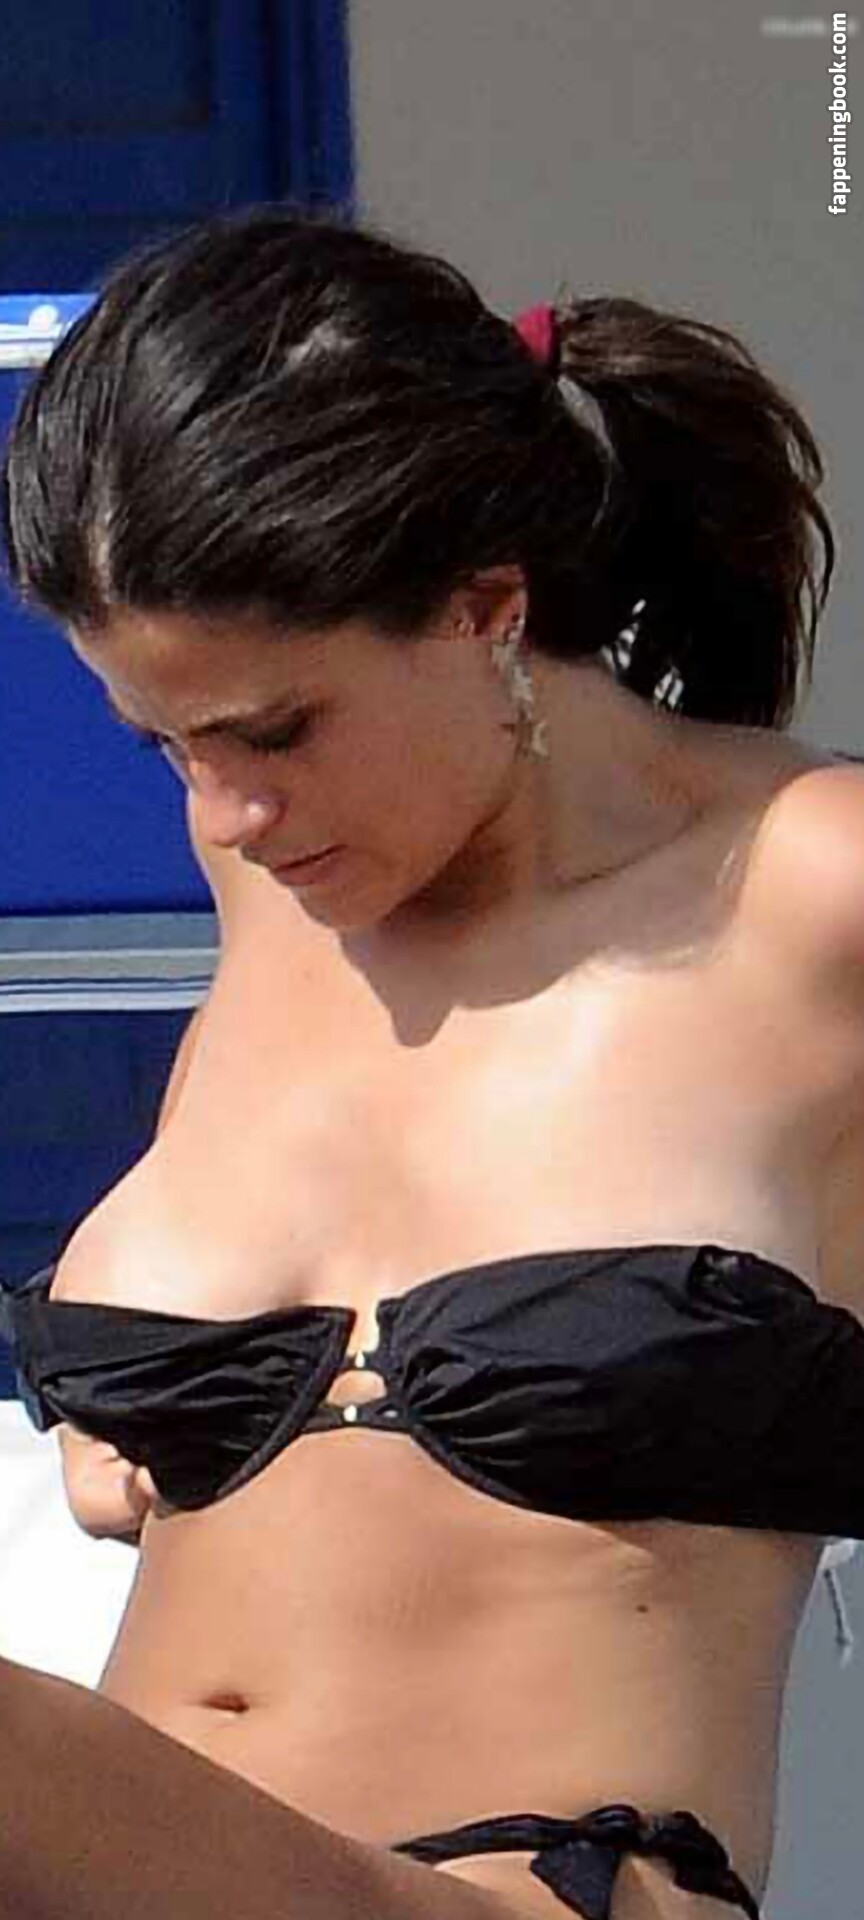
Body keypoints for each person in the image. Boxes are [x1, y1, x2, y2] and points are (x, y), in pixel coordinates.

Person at [1, 203, 862, 1920]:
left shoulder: (813, 894)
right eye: (162, 746)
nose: (225, 815)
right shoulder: (281, 897)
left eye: (274, 730)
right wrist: (116, 1405)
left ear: (485, 609)